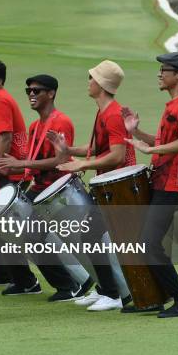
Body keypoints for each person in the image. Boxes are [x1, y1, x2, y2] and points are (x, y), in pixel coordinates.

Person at [0, 74, 93, 301]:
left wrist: (22, 164)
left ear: (51, 93)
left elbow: (61, 159)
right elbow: (33, 161)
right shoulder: (35, 125)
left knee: (40, 237)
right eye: (28, 90)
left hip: (57, 190)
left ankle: (68, 284)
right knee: (21, 232)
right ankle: (47, 283)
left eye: (37, 90)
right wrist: (12, 169)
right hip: (40, 188)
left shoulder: (61, 121)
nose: (31, 94)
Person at [51, 60, 135, 311]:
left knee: (92, 234)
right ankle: (107, 290)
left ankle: (113, 293)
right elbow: (100, 147)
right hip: (106, 185)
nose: (88, 82)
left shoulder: (112, 113)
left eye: (91, 79)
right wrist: (69, 150)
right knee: (91, 234)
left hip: (118, 186)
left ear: (100, 84)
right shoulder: (104, 111)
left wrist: (81, 165)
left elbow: (118, 155)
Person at [123, 52, 178, 318]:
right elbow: (161, 139)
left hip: (173, 184)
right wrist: (136, 132)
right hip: (161, 180)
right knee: (145, 240)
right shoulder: (172, 104)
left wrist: (153, 148)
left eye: (164, 69)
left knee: (148, 241)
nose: (159, 73)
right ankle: (156, 297)